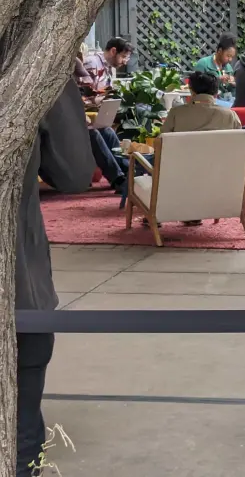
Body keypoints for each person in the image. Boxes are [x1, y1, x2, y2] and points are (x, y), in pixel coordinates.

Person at [18, 81, 95, 477]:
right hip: (18, 288)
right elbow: (75, 172)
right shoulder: (34, 64)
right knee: (18, 436)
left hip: (21, 288)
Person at [161, 72, 242, 133]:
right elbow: (240, 140)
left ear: (191, 91)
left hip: (184, 151)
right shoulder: (230, 115)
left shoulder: (176, 113)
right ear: (216, 92)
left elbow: (162, 140)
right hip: (221, 151)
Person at [193, 33, 238, 100]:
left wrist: (234, 85)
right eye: (228, 56)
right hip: (207, 102)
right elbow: (196, 87)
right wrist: (217, 80)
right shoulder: (203, 64)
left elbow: (230, 92)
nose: (230, 59)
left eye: (232, 57)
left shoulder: (229, 68)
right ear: (220, 51)